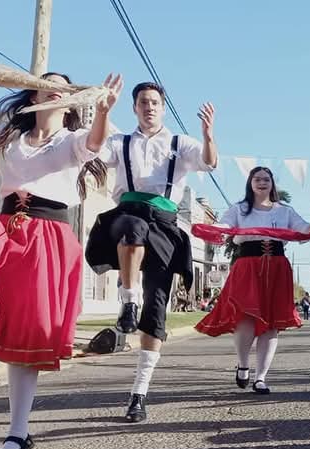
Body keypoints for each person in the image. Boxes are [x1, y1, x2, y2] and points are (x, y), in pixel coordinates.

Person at [0, 72, 121, 449]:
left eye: (63, 87)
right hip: (4, 228)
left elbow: (95, 142)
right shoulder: (8, 138)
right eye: (45, 81)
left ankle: (18, 433)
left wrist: (101, 112)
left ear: (68, 103)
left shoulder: (70, 141)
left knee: (24, 342)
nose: (53, 87)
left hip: (47, 236)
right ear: (32, 92)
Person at [84, 82, 217, 423]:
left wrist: (207, 133)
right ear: (135, 108)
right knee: (132, 229)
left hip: (165, 222)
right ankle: (129, 299)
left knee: (156, 310)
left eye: (155, 102)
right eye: (143, 102)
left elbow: (209, 162)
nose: (149, 107)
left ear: (163, 107)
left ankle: (138, 394)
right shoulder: (121, 142)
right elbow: (93, 148)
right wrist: (102, 112)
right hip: (127, 213)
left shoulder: (180, 143)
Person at [192, 167, 310, 394]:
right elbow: (225, 227)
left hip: (277, 267)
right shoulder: (239, 209)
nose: (262, 182)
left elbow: (303, 228)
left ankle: (261, 378)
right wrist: (210, 228)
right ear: (250, 183)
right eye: (257, 179)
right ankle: (243, 364)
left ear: (272, 184)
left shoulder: (285, 210)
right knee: (245, 318)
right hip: (247, 265)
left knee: (271, 323)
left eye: (266, 179)